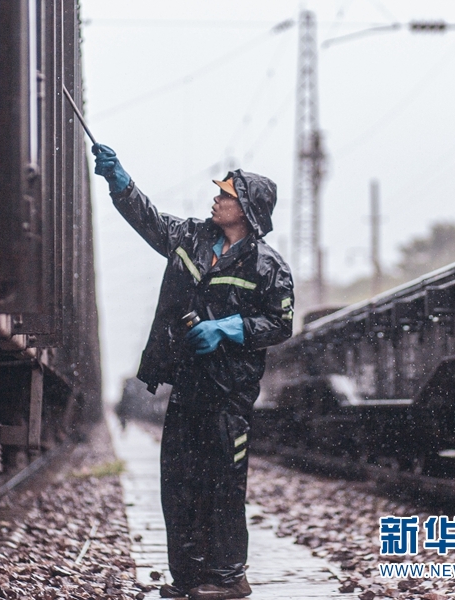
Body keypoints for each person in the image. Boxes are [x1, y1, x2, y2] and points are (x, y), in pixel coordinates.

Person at [93, 144, 294, 600]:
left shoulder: (269, 267)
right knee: (179, 484)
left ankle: (228, 579)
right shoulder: (190, 238)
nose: (217, 199)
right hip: (188, 386)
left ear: (247, 209)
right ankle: (188, 579)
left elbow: (280, 323)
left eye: (226, 194)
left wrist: (230, 328)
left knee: (222, 485)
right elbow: (149, 219)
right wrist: (119, 181)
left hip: (230, 394)